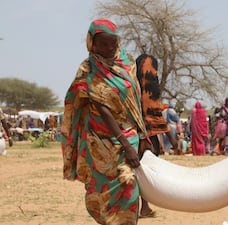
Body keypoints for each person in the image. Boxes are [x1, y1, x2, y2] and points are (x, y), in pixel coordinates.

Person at [61, 19, 151, 225]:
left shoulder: (127, 62)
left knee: (128, 186)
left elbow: (135, 100)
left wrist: (143, 134)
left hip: (130, 134)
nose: (110, 47)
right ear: (92, 43)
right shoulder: (87, 69)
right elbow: (102, 107)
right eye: (104, 43)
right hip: (101, 141)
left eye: (113, 42)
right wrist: (125, 144)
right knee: (103, 192)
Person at [135, 53, 169, 217]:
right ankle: (144, 206)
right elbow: (151, 109)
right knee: (144, 168)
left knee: (143, 168)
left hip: (145, 133)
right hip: (143, 134)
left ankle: (145, 205)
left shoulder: (135, 85)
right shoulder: (146, 87)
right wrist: (172, 139)